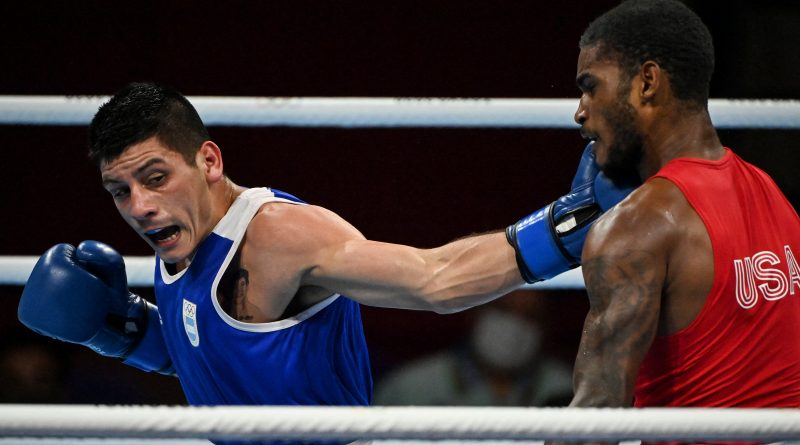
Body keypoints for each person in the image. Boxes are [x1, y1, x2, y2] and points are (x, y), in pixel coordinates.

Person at [17, 81, 633, 444]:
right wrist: (118, 330)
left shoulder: (281, 236)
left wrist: (568, 224)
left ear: (208, 161)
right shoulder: (177, 237)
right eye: (120, 191)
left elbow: (435, 279)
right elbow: (211, 356)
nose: (139, 207)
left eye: (155, 178)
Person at [565, 0, 800, 425]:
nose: (580, 111)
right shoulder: (772, 193)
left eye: (591, 86)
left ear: (647, 82)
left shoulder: (636, 227)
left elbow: (594, 419)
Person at [374, 289, 573, 407]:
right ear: (474, 312)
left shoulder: (569, 390)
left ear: (546, 325)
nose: (514, 325)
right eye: (503, 309)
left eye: (529, 316)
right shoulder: (410, 388)